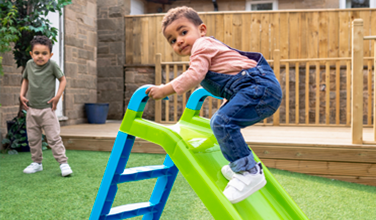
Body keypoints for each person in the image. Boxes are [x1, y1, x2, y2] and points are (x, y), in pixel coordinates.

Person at [146, 6, 282, 204]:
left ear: (201, 29)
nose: (179, 41)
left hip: (259, 88)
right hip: (258, 89)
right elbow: (234, 83)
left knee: (221, 123)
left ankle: (249, 171)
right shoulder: (211, 52)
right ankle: (239, 162)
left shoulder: (202, 45)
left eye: (183, 32)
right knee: (220, 123)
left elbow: (194, 75)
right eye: (173, 40)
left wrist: (164, 89)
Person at [20, 36, 72, 177]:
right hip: (31, 110)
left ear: (50, 55)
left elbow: (63, 80)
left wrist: (57, 96)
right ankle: (37, 163)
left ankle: (63, 163)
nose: (40, 56)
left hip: (47, 110)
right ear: (31, 54)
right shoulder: (29, 65)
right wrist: (21, 94)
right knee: (33, 138)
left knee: (53, 138)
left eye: (44, 53)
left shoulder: (52, 65)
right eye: (37, 53)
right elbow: (25, 79)